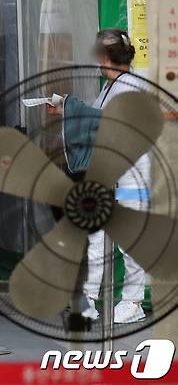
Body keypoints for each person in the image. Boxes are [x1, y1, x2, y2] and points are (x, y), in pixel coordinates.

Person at [48, 29, 147, 323]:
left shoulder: (131, 86)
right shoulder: (109, 87)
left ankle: (133, 301)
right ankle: (89, 296)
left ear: (105, 57)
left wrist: (71, 108)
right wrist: (65, 110)